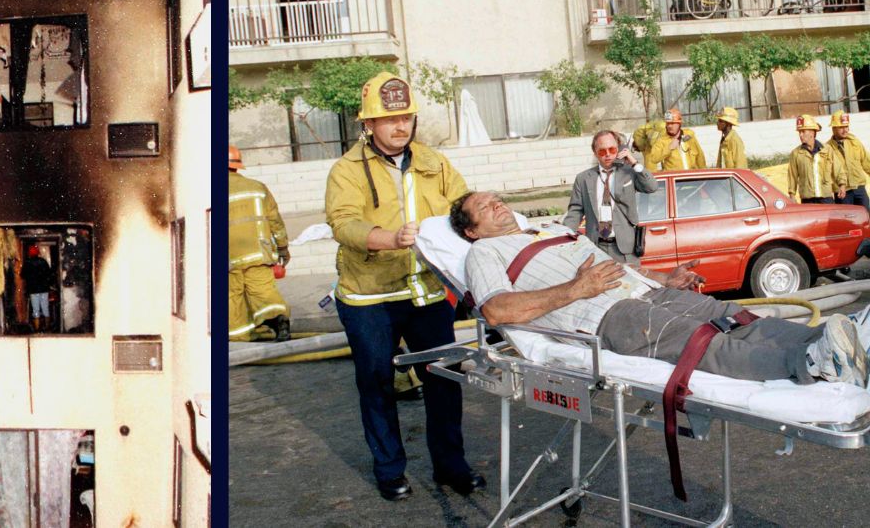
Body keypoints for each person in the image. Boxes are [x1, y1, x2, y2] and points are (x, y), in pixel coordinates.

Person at [450, 190, 868, 387]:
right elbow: (496, 312)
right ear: (471, 230)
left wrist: (665, 279)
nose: (498, 204)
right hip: (607, 317)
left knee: (737, 319)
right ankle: (813, 362)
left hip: (644, 293)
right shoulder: (484, 253)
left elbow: (615, 266)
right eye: (485, 207)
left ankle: (844, 339)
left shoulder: (551, 231)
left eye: (497, 198)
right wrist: (576, 290)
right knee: (702, 341)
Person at [325, 71, 484, 502]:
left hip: (428, 294)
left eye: (407, 118)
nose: (401, 128)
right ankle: (390, 470)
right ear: (368, 124)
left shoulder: (435, 162)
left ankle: (452, 467)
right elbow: (343, 223)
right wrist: (389, 238)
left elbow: (462, 209)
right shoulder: (347, 170)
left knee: (444, 380)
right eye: (389, 120)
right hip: (369, 297)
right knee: (377, 384)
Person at [563, 130, 657, 265]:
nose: (607, 155)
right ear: (595, 153)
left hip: (626, 249)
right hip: (596, 248)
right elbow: (575, 211)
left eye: (612, 150)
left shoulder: (628, 173)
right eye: (602, 151)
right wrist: (564, 236)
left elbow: (651, 187)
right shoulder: (583, 178)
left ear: (618, 149)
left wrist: (634, 163)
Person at [228, 145, 291, 342]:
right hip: (259, 253)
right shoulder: (257, 187)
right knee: (264, 291)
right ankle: (279, 320)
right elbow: (275, 221)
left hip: (230, 257)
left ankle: (241, 336)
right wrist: (283, 247)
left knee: (232, 297)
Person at [788, 114, 842, 204]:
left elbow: (838, 169)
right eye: (799, 132)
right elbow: (792, 176)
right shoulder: (796, 153)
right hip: (807, 200)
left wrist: (842, 185)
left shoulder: (827, 150)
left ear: (812, 132)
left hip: (826, 198)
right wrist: (792, 195)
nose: (800, 135)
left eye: (803, 131)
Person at [823, 110, 870, 209]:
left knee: (866, 218)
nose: (845, 130)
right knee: (847, 222)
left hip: (859, 189)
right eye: (841, 127)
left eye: (846, 126)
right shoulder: (827, 148)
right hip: (842, 193)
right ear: (833, 128)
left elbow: (866, 162)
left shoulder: (855, 142)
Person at [21, 246, 54, 330]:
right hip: (44, 289)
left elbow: (22, 275)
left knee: (36, 310)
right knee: (45, 308)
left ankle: (37, 329)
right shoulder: (43, 261)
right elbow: (49, 274)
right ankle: (47, 328)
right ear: (38, 252)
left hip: (33, 289)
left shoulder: (27, 262)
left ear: (30, 253)